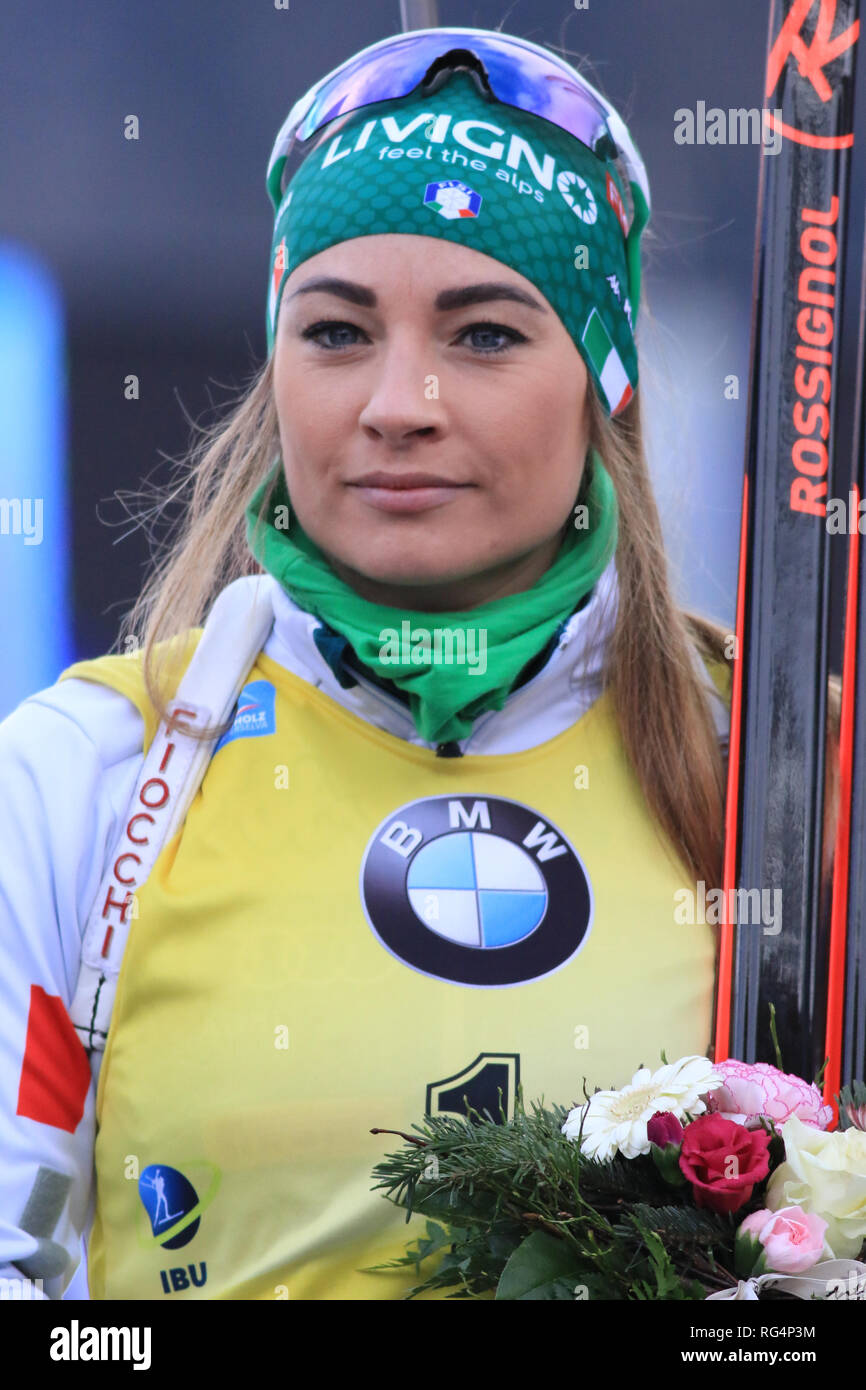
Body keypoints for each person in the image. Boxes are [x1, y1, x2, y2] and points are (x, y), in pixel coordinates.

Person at [0, 26, 815, 1302]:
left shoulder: (773, 774)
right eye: (334, 331)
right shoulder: (80, 772)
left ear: (601, 380)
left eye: (484, 335)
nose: (399, 401)